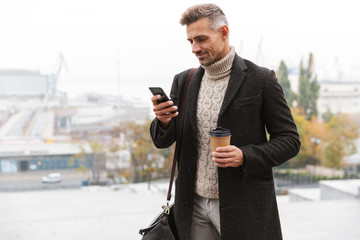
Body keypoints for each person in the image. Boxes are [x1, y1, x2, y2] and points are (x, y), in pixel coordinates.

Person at [150, 3, 300, 240]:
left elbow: (290, 140)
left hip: (245, 206)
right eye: (190, 41)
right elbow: (163, 140)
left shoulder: (261, 79)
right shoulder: (184, 81)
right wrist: (163, 121)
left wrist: (244, 156)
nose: (194, 48)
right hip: (192, 206)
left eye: (201, 39)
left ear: (224, 33)